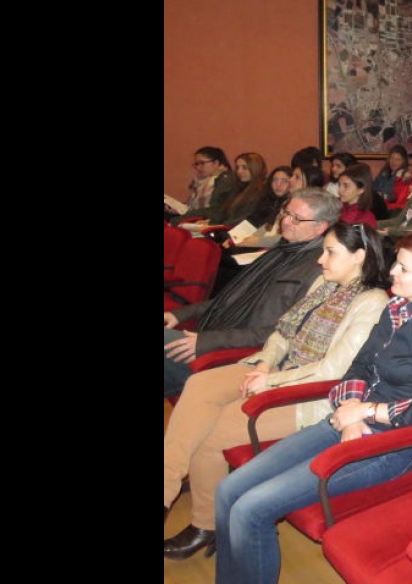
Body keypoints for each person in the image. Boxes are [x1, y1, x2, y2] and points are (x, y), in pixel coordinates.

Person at [214, 230, 412, 584]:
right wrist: (350, 408)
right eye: (396, 262)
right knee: (229, 490)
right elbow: (359, 366)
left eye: (404, 269)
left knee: (251, 508)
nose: (392, 271)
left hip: (391, 444)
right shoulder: (396, 308)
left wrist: (364, 412)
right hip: (349, 420)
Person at [162, 221, 392, 559]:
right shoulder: (324, 283)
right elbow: (283, 333)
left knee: (212, 432)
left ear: (359, 256)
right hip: (278, 372)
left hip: (312, 395)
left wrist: (269, 381)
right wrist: (266, 365)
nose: (320, 260)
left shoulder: (372, 302)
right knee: (199, 385)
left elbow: (335, 370)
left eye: (330, 252)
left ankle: (205, 525)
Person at [164, 188, 342, 398]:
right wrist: (180, 314)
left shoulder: (319, 271)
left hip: (236, 355)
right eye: (286, 213)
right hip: (215, 333)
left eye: (296, 219)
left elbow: (281, 333)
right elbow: (230, 299)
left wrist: (207, 342)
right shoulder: (281, 250)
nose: (285, 221)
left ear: (320, 227)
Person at [169, 146, 239, 225]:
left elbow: (214, 210)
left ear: (216, 163)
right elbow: (194, 205)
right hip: (197, 218)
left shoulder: (225, 180)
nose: (198, 168)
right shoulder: (203, 181)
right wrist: (178, 208)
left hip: (207, 222)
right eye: (196, 164)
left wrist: (176, 220)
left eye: (202, 163)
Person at [221, 152, 269, 227]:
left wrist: (222, 226)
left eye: (244, 168)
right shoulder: (239, 187)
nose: (239, 171)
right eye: (237, 167)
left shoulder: (262, 191)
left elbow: (247, 218)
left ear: (255, 168)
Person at [335, 162, 378, 228]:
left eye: (346, 186)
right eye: (339, 185)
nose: (340, 190)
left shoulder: (366, 219)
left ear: (361, 189)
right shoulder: (339, 208)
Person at [375, 145, 412, 211]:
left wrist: (381, 195)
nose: (394, 162)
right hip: (378, 204)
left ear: (404, 161)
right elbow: (374, 187)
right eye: (392, 158)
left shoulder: (404, 175)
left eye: (398, 159)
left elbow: (394, 196)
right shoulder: (385, 171)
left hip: (391, 209)